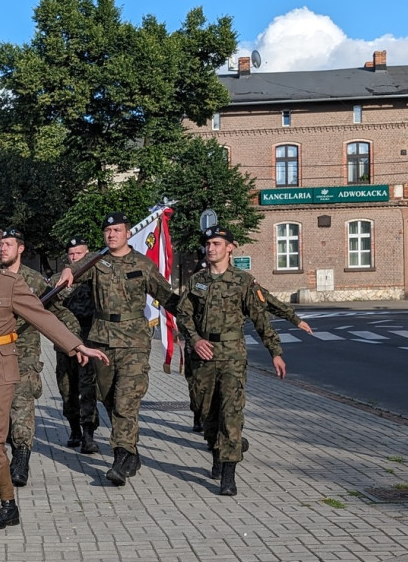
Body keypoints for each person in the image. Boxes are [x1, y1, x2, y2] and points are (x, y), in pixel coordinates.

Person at [0, 225, 109, 541]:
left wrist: (76, 346)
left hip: (3, 370)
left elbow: (43, 317)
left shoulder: (11, 283)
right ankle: (10, 506)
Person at [58, 212, 180, 486]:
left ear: (127, 233)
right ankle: (131, 452)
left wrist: (193, 320)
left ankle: (121, 458)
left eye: (117, 230)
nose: (111, 234)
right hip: (102, 340)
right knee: (109, 399)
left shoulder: (142, 264)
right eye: (107, 230)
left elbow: (168, 297)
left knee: (126, 400)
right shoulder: (96, 262)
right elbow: (70, 272)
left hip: (134, 341)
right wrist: (67, 270)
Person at [177, 226, 287, 497]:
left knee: (231, 412)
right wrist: (195, 340)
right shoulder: (197, 281)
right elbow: (183, 315)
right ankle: (216, 450)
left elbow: (261, 318)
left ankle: (228, 474)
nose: (210, 248)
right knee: (206, 412)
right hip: (203, 354)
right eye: (208, 244)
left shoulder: (242, 281)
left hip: (233, 354)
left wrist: (275, 351)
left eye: (216, 243)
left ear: (230, 247)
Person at [185, 254, 313, 434]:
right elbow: (182, 311)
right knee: (198, 393)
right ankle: (202, 419)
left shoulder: (241, 281)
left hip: (229, 352)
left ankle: (229, 442)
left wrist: (293, 319)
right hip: (197, 348)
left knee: (230, 406)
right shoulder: (197, 282)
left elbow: (266, 302)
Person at [0, 227, 73, 487]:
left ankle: (21, 459)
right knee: (0, 411)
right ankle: (6, 446)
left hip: (25, 355)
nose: (3, 248)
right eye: (1, 244)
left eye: (9, 244)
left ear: (21, 249)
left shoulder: (34, 281)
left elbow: (56, 312)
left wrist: (75, 343)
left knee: (21, 407)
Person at [53, 237, 99, 454]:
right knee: (67, 389)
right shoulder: (59, 280)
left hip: (88, 343)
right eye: (71, 255)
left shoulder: (95, 280)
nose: (74, 258)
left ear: (87, 254)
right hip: (64, 345)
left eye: (78, 254)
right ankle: (74, 430)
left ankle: (88, 433)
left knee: (87, 389)